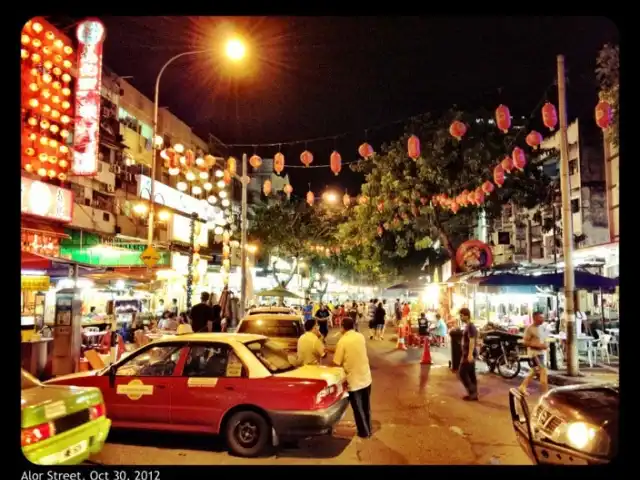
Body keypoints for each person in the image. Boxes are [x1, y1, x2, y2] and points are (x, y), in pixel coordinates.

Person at [333, 317, 373, 439]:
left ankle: (364, 433)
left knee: (358, 408)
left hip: (354, 381)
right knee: (366, 406)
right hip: (366, 377)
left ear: (343, 327)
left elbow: (337, 362)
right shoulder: (360, 336)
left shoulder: (342, 341)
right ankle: (368, 428)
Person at [519, 311, 549, 395]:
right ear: (535, 318)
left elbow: (545, 339)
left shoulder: (543, 328)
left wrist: (545, 345)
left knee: (534, 371)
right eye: (540, 317)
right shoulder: (529, 329)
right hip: (534, 354)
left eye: (543, 317)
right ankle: (545, 393)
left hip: (541, 353)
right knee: (543, 371)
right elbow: (525, 342)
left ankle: (522, 387)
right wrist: (538, 345)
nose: (542, 319)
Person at [458, 307, 479, 401]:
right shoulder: (468, 326)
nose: (460, 317)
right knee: (471, 374)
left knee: (462, 372)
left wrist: (470, 354)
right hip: (467, 353)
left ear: (466, 316)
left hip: (468, 354)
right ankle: (474, 394)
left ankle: (472, 391)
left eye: (461, 316)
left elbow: (472, 340)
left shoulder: (470, 326)